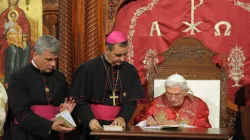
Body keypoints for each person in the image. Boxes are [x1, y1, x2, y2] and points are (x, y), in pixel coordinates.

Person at [69, 31, 145, 139]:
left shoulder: (130, 70)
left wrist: (122, 117)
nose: (122, 59)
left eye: (125, 55)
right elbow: (79, 99)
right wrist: (89, 119)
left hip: (118, 126)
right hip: (93, 125)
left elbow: (132, 100)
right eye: (118, 55)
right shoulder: (89, 68)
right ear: (107, 49)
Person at [8, 35, 76, 140]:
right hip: (27, 135)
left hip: (54, 135)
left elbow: (61, 105)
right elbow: (22, 113)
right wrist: (50, 126)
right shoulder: (18, 77)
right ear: (35, 55)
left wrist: (63, 112)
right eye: (49, 59)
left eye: (55, 59)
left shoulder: (60, 78)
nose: (53, 64)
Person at [135, 74, 211, 128]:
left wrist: (179, 127)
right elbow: (138, 122)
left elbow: (204, 130)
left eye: (177, 94)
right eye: (169, 94)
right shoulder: (155, 103)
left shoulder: (199, 106)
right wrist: (146, 123)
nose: (172, 99)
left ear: (185, 92)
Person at [0, 0, 31, 83]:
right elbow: (1, 28)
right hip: (7, 40)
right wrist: (5, 29)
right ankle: (9, 79)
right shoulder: (4, 14)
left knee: (27, 49)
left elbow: (25, 26)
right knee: (13, 51)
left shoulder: (20, 13)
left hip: (19, 39)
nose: (13, 0)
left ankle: (22, 76)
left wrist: (24, 40)